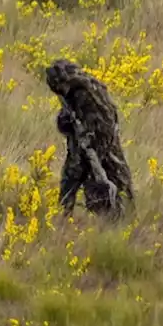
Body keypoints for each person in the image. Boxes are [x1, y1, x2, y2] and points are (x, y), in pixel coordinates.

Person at [45, 58, 134, 219]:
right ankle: (65, 217)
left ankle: (116, 219)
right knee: (72, 179)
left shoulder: (85, 94)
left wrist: (90, 154)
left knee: (106, 183)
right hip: (88, 143)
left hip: (97, 145)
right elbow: (68, 119)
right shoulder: (76, 90)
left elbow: (102, 126)